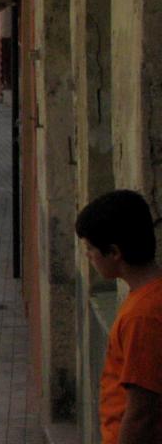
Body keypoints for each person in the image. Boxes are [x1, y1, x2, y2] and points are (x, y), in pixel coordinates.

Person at [75, 190, 162, 444]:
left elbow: (142, 413)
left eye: (91, 249)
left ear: (114, 252)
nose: (89, 256)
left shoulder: (142, 316)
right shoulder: (145, 299)